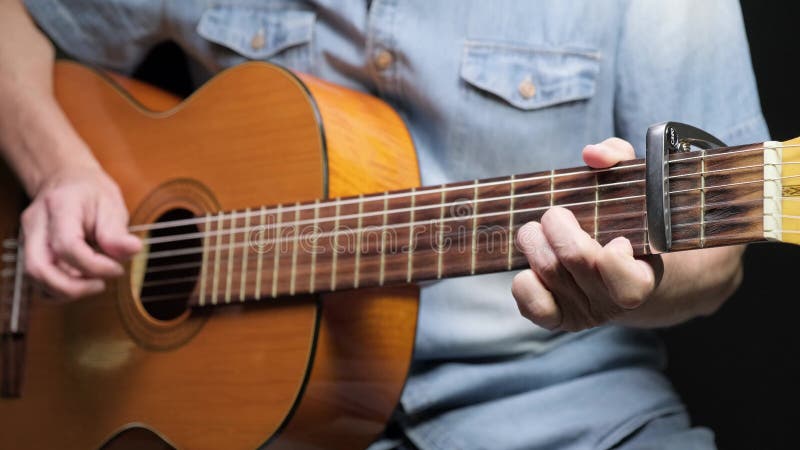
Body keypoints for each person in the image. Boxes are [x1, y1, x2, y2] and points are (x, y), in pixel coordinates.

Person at [0, 1, 769, 449]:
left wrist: (631, 289)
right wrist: (59, 171)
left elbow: (719, 253)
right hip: (250, 425)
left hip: (563, 413)